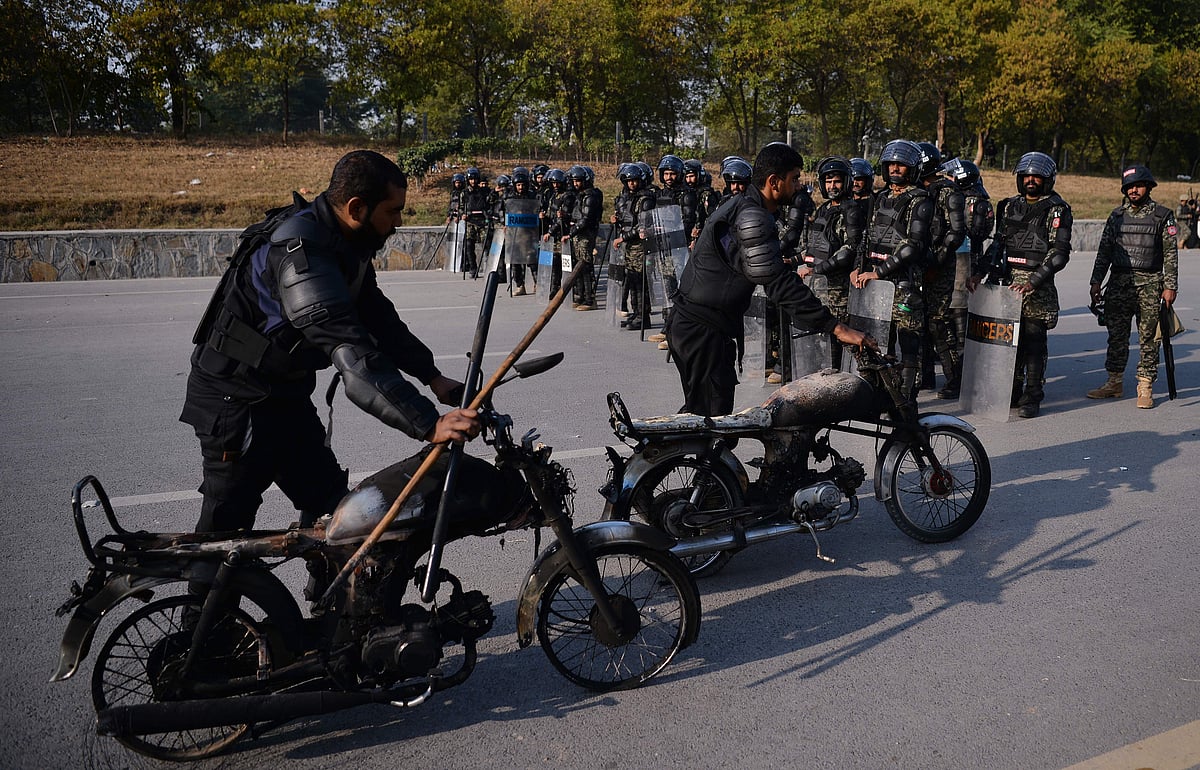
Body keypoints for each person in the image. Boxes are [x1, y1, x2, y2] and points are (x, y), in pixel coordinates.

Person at [182, 150, 479, 536]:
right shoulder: (301, 256)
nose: (399, 223)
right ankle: (201, 598)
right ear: (356, 207)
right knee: (225, 534)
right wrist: (428, 424)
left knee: (335, 508)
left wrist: (432, 376)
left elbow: (378, 318)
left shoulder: (343, 241)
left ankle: (330, 594)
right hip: (234, 402)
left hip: (281, 396)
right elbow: (353, 355)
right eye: (392, 211)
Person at [667, 142, 874, 416]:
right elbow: (777, 282)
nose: (799, 185)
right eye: (794, 179)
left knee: (705, 417)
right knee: (709, 425)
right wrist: (836, 327)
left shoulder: (745, 208)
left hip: (701, 328)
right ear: (774, 182)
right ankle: (659, 458)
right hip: (702, 331)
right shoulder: (751, 215)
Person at [968, 151, 1072, 418]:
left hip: (1038, 287)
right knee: (1008, 341)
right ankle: (1011, 390)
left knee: (1034, 343)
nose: (1030, 181)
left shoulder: (1057, 210)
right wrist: (979, 273)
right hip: (1006, 283)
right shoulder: (1009, 206)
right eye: (1026, 176)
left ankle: (1032, 394)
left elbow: (1059, 253)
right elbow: (999, 245)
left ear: (1047, 179)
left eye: (1036, 176)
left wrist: (1033, 281)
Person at [1086, 165, 1179, 408]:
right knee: (1116, 336)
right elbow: (1104, 251)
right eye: (1129, 187)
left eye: (1137, 185)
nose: (1133, 190)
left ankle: (1145, 385)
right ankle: (1114, 382)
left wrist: (1170, 286)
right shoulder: (1116, 216)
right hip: (1118, 284)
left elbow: (1170, 254)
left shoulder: (1163, 215)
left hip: (1150, 285)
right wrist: (1096, 281)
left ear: (1148, 186)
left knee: (1149, 338)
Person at [852, 139, 935, 400]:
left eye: (901, 164)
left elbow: (913, 246)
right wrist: (858, 267)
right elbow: (867, 237)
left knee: (909, 343)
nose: (895, 169)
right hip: (876, 284)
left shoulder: (921, 201)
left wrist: (878, 272)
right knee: (878, 342)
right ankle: (882, 395)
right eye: (891, 164)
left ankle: (906, 400)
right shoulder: (880, 198)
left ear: (911, 169)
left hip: (905, 283)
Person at [797, 155, 866, 371]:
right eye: (828, 181)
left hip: (838, 287)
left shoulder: (851, 210)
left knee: (842, 337)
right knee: (823, 336)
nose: (832, 186)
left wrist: (816, 269)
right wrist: (793, 260)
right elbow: (814, 245)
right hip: (819, 285)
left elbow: (849, 249)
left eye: (836, 181)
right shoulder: (824, 209)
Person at [916, 142, 967, 399]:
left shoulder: (948, 192)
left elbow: (956, 232)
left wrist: (937, 262)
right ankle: (923, 377)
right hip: (914, 265)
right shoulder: (912, 189)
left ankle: (954, 378)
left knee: (938, 323)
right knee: (916, 322)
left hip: (939, 267)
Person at [612, 163, 656, 330]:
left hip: (640, 246)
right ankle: (636, 313)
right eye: (629, 180)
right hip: (630, 247)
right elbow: (629, 219)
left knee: (641, 282)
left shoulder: (646, 199)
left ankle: (644, 316)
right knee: (632, 280)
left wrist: (622, 238)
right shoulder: (630, 198)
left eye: (635, 180)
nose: (631, 183)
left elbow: (642, 226)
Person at [567, 165, 602, 309]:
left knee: (585, 266)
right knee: (577, 266)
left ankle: (589, 299)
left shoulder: (590, 196)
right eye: (574, 181)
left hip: (585, 234)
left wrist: (571, 231)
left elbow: (586, 219)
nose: (576, 184)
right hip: (578, 234)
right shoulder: (579, 195)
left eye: (578, 181)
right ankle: (580, 296)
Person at [460, 166, 491, 278]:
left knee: (486, 245)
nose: (473, 181)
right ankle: (473, 268)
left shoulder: (484, 192)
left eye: (475, 179)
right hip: (470, 222)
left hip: (482, 222)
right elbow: (460, 207)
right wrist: (462, 214)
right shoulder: (464, 193)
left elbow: (490, 202)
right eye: (471, 179)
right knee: (469, 246)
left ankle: (488, 267)